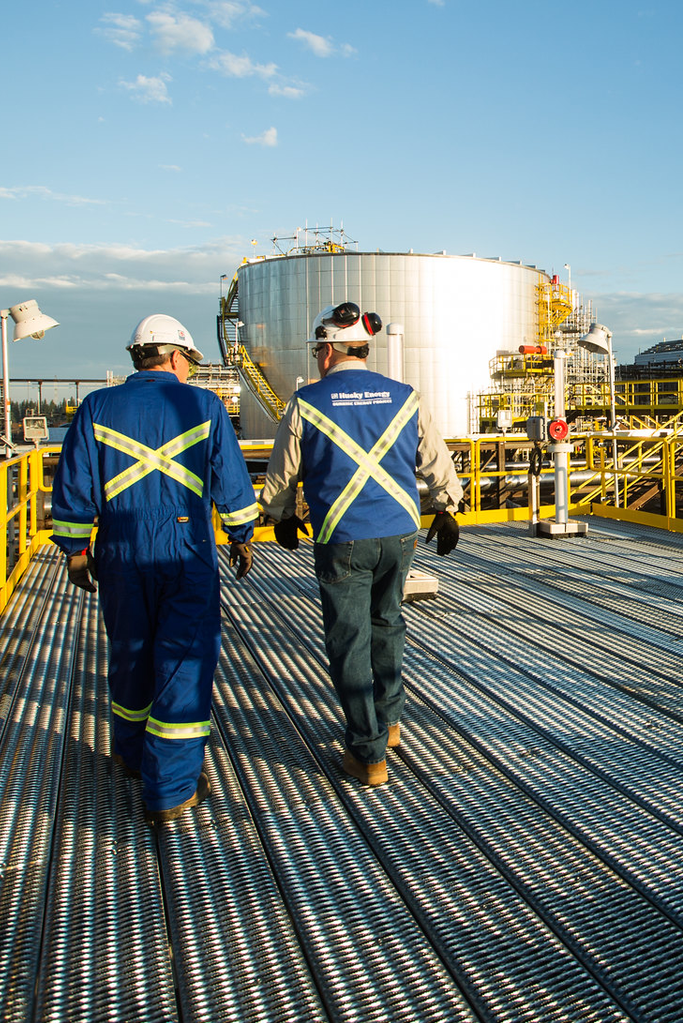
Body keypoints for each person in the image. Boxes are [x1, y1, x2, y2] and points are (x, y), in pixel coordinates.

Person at [50, 314, 259, 824]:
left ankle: (129, 753)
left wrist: (76, 551)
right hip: (185, 550)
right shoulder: (204, 405)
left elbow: (75, 482)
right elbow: (231, 483)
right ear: (172, 356)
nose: (189, 369)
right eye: (189, 360)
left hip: (120, 550)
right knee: (184, 662)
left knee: (130, 652)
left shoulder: (97, 406)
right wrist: (241, 535)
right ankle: (170, 788)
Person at [258, 301, 465, 787]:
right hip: (399, 532)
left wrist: (280, 516)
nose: (316, 358)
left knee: (349, 639)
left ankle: (367, 754)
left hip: (342, 537)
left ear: (329, 350)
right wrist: (448, 508)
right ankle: (389, 723)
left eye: (317, 350)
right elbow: (436, 459)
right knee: (388, 622)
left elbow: (284, 473)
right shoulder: (406, 396)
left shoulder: (307, 403)